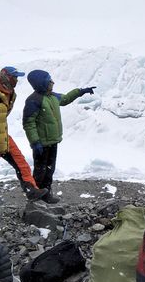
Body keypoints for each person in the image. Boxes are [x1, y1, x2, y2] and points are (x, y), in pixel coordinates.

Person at [0, 66, 47, 205]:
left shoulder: (8, 94)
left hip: (3, 137)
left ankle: (32, 191)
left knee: (21, 164)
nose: (16, 80)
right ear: (6, 77)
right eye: (14, 77)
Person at [22, 69, 96, 204]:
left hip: (53, 141)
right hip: (41, 143)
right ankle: (35, 196)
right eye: (49, 80)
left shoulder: (53, 96)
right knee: (40, 171)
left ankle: (47, 194)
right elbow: (28, 123)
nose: (52, 82)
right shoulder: (34, 100)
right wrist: (35, 142)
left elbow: (66, 99)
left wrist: (80, 91)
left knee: (50, 170)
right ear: (41, 83)